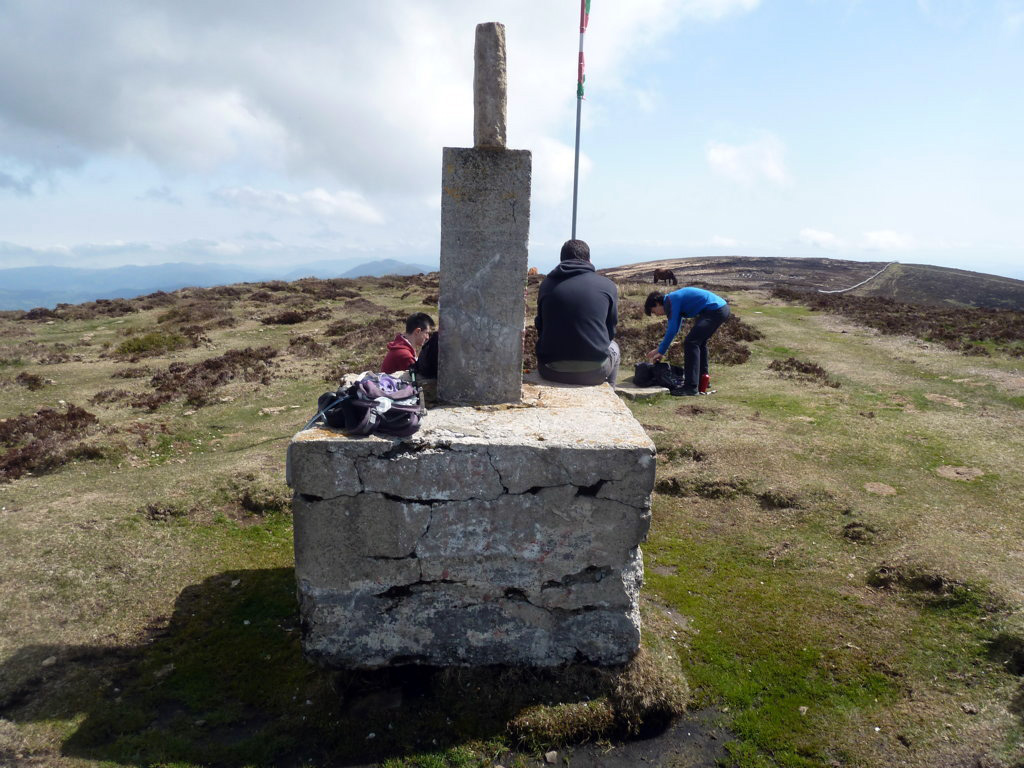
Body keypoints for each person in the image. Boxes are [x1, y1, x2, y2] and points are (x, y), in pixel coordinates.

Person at [535, 239, 620, 386]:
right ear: (589, 260)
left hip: (549, 370)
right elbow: (610, 331)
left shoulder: (547, 285)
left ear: (562, 260)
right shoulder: (607, 286)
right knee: (615, 348)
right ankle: (610, 393)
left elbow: (540, 327)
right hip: (594, 373)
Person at [645, 287, 730, 396]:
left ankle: (690, 387)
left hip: (715, 310)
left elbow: (671, 330)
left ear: (657, 303)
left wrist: (661, 352)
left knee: (691, 342)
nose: (656, 315)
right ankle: (703, 379)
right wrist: (658, 349)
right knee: (699, 343)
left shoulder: (671, 301)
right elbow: (675, 328)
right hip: (720, 309)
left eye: (653, 311)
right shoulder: (672, 301)